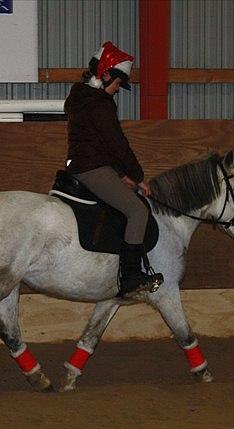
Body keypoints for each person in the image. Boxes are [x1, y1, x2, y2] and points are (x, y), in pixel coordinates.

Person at [64, 41, 163, 296]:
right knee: (138, 211)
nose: (118, 90)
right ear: (105, 74)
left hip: (85, 165)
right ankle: (130, 276)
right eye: (118, 84)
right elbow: (116, 144)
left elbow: (100, 144)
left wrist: (121, 175)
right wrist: (138, 176)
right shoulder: (100, 104)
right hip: (92, 168)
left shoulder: (80, 97)